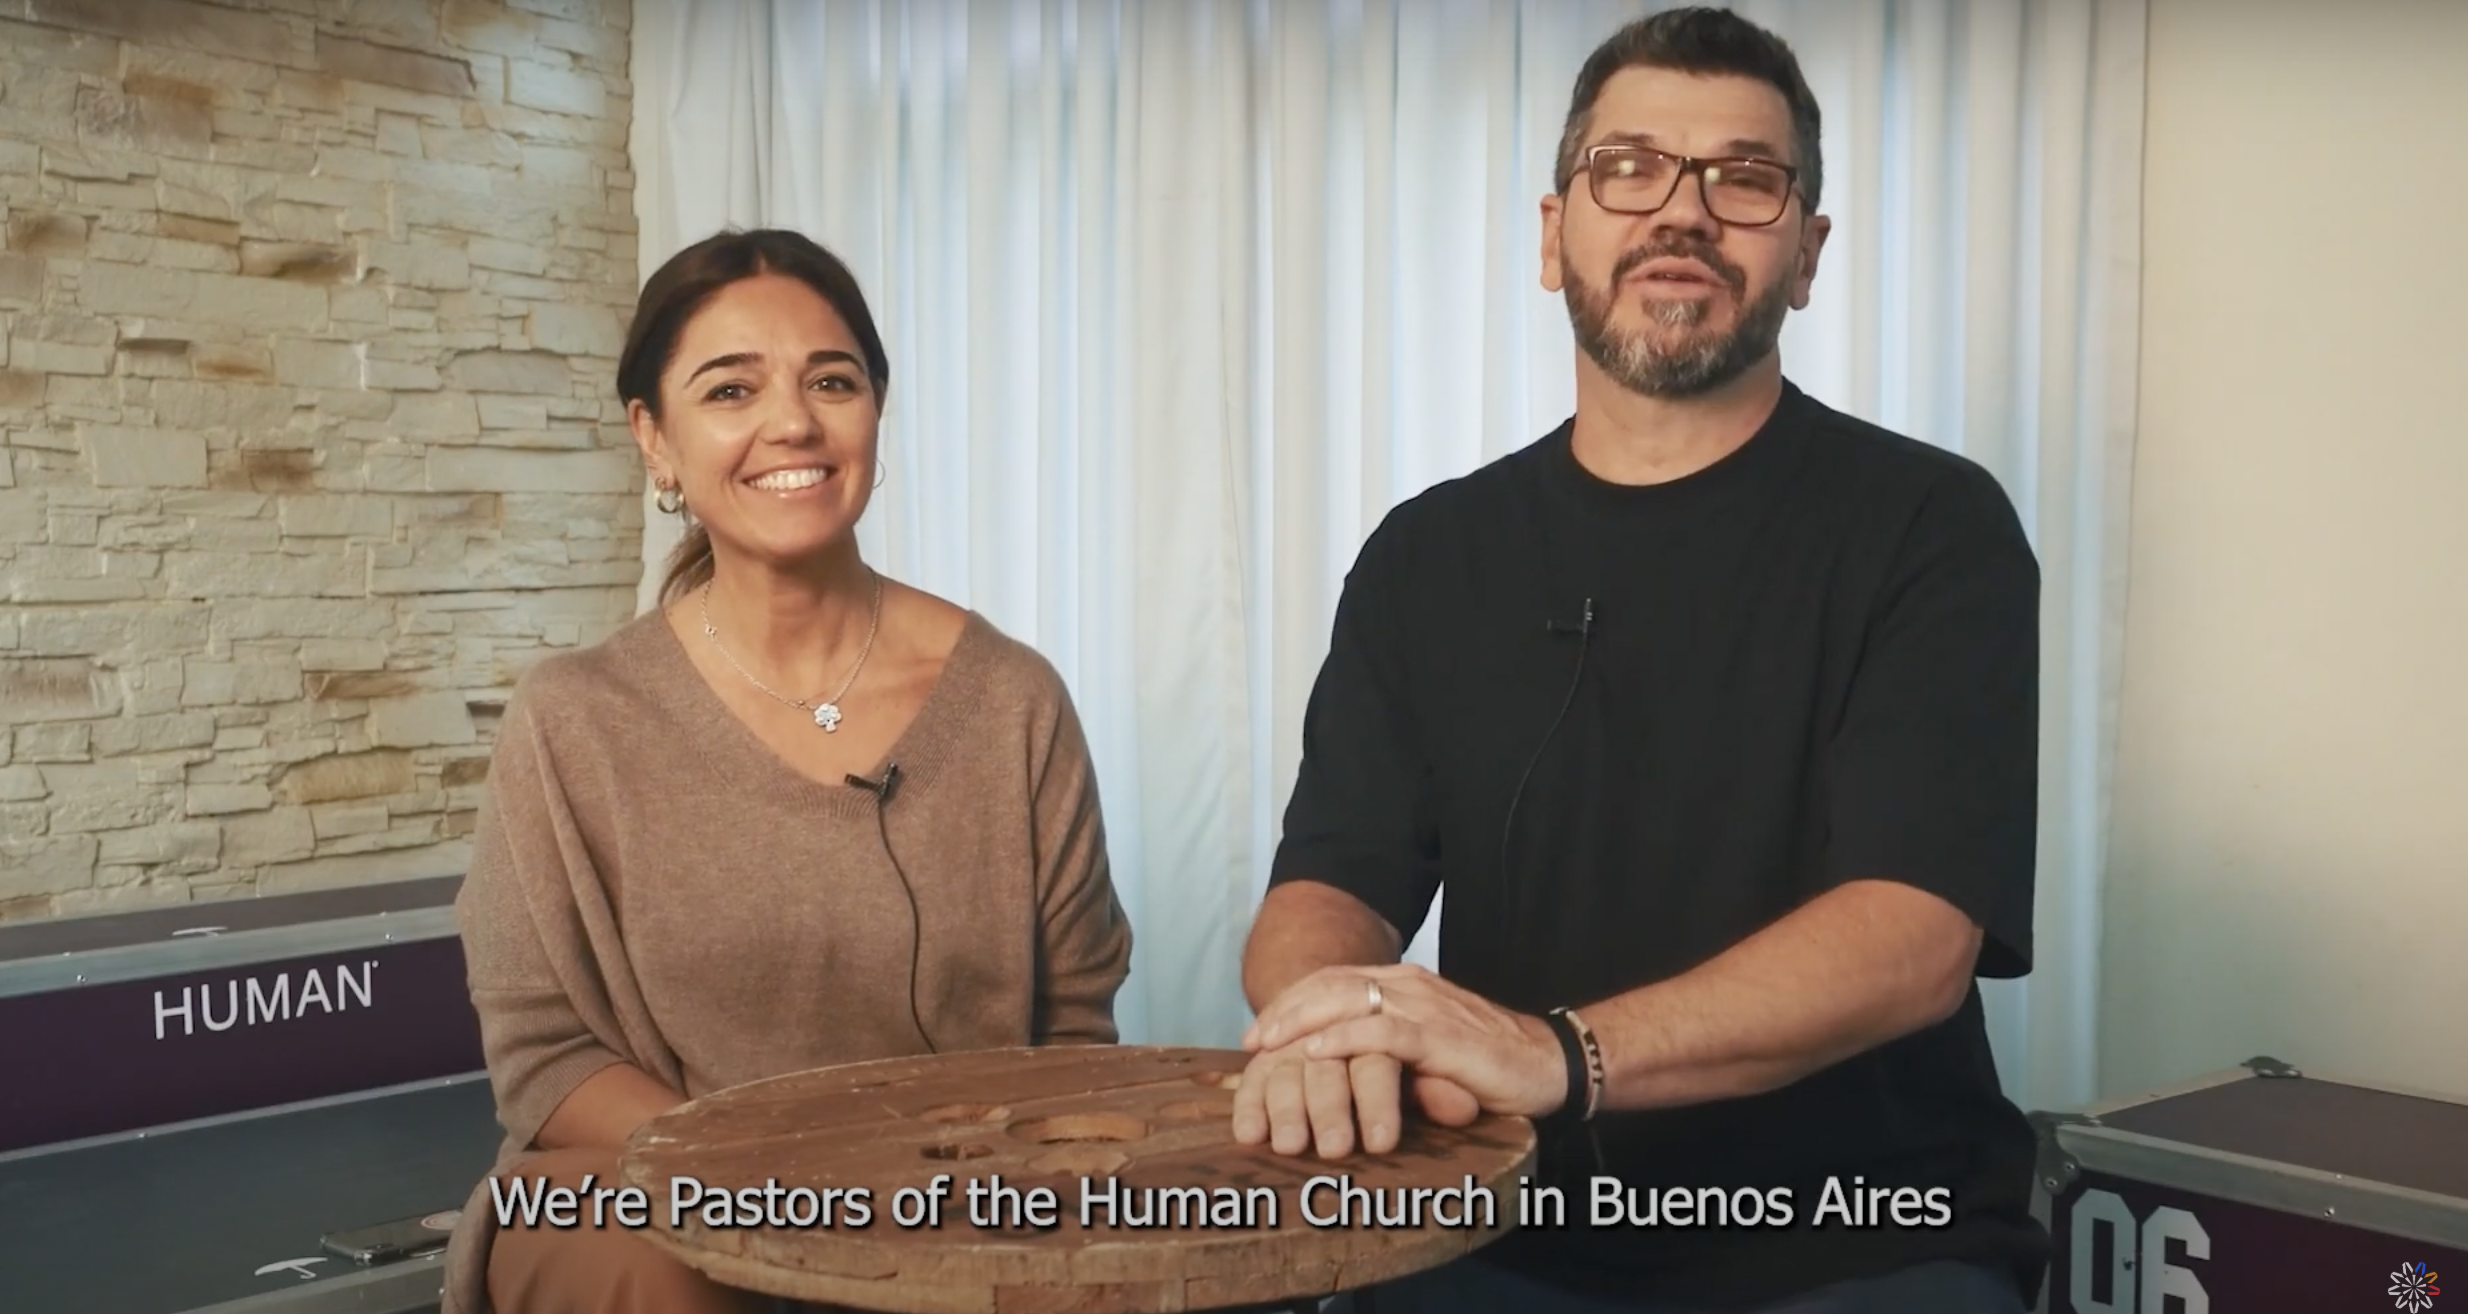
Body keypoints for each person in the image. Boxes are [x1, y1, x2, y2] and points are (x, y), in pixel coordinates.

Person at [1233, 10, 2045, 1313]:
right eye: (1631, 167)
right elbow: (1326, 884)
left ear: (1807, 253)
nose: (1685, 211)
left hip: (1864, 1241)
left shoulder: (1932, 528)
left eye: (1745, 177)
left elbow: (1914, 938)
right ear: (1555, 235)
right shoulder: (1426, 553)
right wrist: (1332, 1015)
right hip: (1494, 1231)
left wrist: (1555, 1052)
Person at [438, 229, 1135, 1314]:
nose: (792, 421)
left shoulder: (1011, 701)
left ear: (873, 412)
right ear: (654, 440)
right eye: (730, 388)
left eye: (831, 380)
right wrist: (771, 1179)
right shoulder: (574, 718)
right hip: (640, 1197)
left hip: (948, 1205)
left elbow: (1074, 1033)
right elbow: (545, 1057)